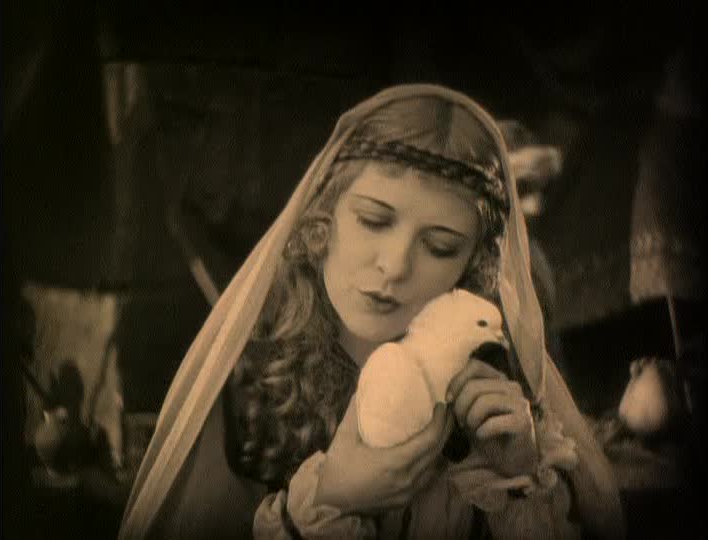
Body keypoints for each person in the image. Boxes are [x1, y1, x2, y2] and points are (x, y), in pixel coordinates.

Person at [119, 84, 625, 539]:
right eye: (373, 220)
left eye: (441, 246)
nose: (395, 265)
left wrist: (516, 477)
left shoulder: (495, 385)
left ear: (473, 267)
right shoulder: (252, 387)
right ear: (324, 220)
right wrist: (328, 503)